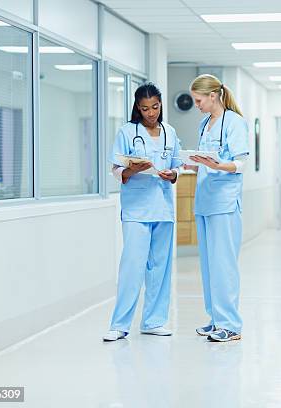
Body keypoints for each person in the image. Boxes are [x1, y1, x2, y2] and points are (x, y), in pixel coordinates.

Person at [103, 83, 182, 342]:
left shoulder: (170, 132)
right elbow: (117, 170)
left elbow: (176, 168)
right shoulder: (128, 132)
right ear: (138, 107)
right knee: (132, 267)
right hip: (137, 209)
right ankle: (119, 324)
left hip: (163, 209)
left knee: (160, 267)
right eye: (145, 108)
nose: (151, 113)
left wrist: (173, 175)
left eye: (156, 107)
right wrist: (133, 170)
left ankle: (154, 321)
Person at [188, 74, 249, 342]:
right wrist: (191, 163)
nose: (197, 105)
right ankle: (216, 319)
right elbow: (205, 160)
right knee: (209, 265)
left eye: (199, 100)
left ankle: (231, 325)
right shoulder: (205, 124)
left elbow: (240, 163)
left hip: (224, 203)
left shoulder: (234, 123)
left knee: (224, 265)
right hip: (205, 202)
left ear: (213, 96)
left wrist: (216, 165)